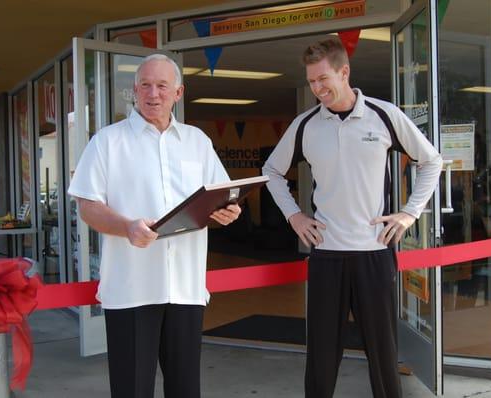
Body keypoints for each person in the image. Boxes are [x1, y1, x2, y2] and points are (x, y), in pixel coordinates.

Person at [262, 38, 442, 398]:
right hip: (326, 254)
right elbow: (271, 171)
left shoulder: (384, 114)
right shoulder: (306, 125)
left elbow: (432, 161)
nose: (317, 88)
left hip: (374, 252)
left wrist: (409, 213)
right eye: (311, 81)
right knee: (322, 357)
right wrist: (294, 216)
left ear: (344, 72)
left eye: (323, 79)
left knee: (383, 353)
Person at [68, 54, 240, 398]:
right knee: (132, 390)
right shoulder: (107, 141)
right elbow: (87, 207)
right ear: (134, 91)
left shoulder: (197, 142)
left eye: (162, 85)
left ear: (178, 92)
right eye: (145, 85)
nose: (153, 93)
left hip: (186, 288)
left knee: (185, 389)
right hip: (131, 288)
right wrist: (127, 226)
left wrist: (226, 212)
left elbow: (222, 197)